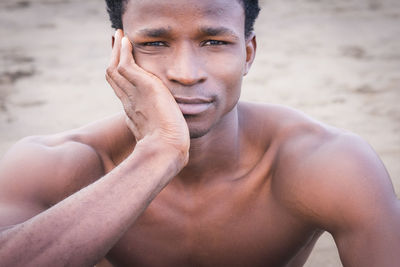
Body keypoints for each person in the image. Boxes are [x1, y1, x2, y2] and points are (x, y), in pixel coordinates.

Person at [0, 0, 399, 266]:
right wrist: (159, 153)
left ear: (247, 53)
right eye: (155, 42)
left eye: (214, 41)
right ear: (119, 52)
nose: (187, 73)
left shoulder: (327, 163)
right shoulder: (53, 165)